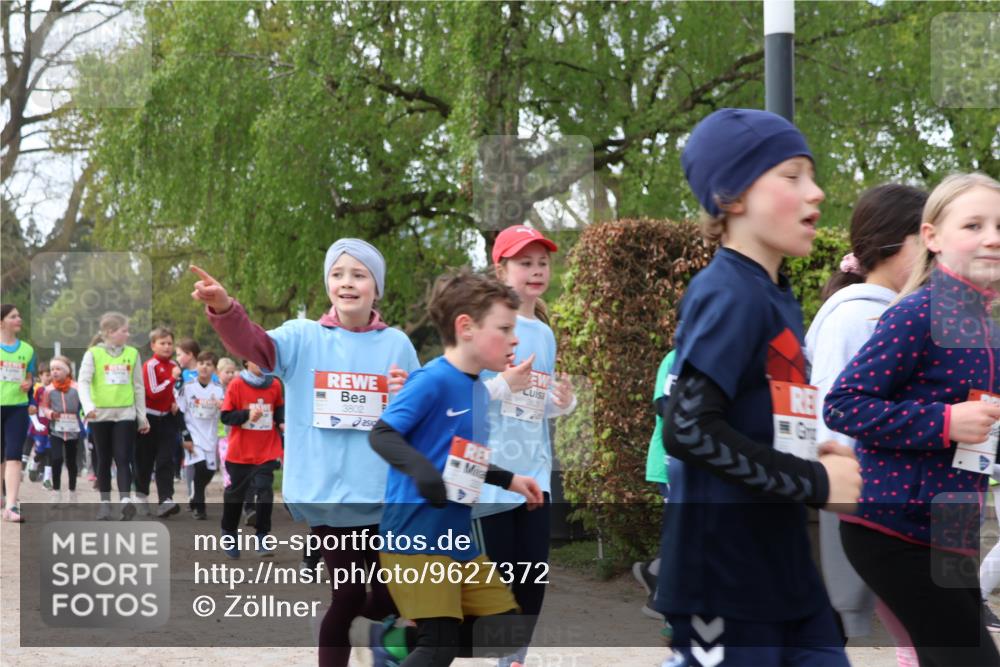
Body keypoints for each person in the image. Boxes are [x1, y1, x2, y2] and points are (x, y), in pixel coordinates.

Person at [657, 108, 861, 666]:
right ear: (731, 196)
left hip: (785, 572)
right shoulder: (727, 291)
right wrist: (816, 480)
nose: (816, 193)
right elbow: (688, 429)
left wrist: (807, 451)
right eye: (792, 176)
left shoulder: (777, 295)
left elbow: (748, 419)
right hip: (721, 581)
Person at [192, 238, 420, 667]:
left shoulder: (399, 345)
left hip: (387, 496)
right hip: (330, 495)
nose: (347, 283)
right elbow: (254, 345)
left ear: (377, 287)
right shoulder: (302, 337)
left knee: (395, 594)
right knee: (349, 593)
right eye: (337, 274)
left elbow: (423, 410)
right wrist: (224, 309)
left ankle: (377, 636)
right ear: (328, 283)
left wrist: (405, 394)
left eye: (358, 274)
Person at [826, 172, 1000, 667]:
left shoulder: (988, 329)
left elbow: (982, 433)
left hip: (948, 532)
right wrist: (945, 422)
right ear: (932, 238)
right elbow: (844, 404)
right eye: (973, 225)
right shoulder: (916, 315)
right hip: (891, 527)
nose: (992, 237)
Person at [367, 268, 544, 667]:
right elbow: (382, 434)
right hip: (414, 535)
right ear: (466, 327)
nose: (515, 338)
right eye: (504, 328)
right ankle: (411, 641)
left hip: (457, 539)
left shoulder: (477, 389)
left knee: (504, 630)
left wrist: (510, 479)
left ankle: (396, 641)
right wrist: (423, 473)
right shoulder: (431, 380)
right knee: (440, 646)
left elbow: (463, 458)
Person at [804, 184, 926, 665]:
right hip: (862, 498)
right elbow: (832, 413)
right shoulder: (857, 318)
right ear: (895, 243)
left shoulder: (893, 312)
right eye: (925, 236)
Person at [472, 224, 576, 667]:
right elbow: (462, 400)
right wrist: (501, 383)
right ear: (501, 269)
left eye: (542, 262)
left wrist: (563, 405)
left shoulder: (546, 334)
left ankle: (512, 659)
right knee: (497, 583)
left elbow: (535, 407)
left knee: (532, 581)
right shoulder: (483, 325)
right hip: (491, 478)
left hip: (534, 475)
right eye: (524, 263)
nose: (535, 271)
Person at [78, 311, 150, 521]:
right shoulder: (93, 354)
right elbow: (83, 382)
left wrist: (141, 416)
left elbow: (138, 387)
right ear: (110, 332)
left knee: (123, 457)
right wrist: (88, 406)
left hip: (125, 414)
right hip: (100, 414)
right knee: (103, 459)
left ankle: (126, 501)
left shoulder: (132, 353)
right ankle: (105, 504)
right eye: (124, 331)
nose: (127, 335)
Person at [219, 359, 284, 556]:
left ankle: (262, 536)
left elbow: (279, 409)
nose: (263, 363)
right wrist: (247, 414)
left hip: (267, 449)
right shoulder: (237, 384)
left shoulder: (274, 384)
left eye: (266, 359)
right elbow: (226, 416)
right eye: (257, 360)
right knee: (235, 495)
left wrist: (282, 422)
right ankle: (229, 532)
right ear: (246, 362)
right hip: (241, 452)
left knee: (265, 491)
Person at [633, 349, 675, 621]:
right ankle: (659, 600)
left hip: (691, 465)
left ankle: (653, 570)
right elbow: (663, 405)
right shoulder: (674, 358)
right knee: (685, 531)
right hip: (670, 463)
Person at [137, 326, 182, 517]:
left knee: (166, 460)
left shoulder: (174, 366)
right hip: (149, 418)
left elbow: (179, 390)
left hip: (167, 420)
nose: (167, 347)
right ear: (153, 345)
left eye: (170, 343)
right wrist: (171, 380)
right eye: (162, 343)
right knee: (144, 460)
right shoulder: (150, 366)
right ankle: (141, 496)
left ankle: (166, 499)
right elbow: (153, 392)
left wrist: (175, 402)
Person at [177, 350, 224, 520]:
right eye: (201, 363)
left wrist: (222, 406)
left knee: (209, 471)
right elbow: (179, 412)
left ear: (214, 369)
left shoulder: (219, 390)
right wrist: (185, 435)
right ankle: (199, 505)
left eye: (209, 364)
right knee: (200, 467)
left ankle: (196, 494)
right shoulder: (188, 387)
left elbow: (225, 412)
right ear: (196, 366)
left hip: (210, 436)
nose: (204, 367)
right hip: (193, 434)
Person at [1, 304, 35, 522]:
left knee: (14, 455)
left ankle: (12, 505)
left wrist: (29, 383)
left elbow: (30, 378)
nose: (19, 319)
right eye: (14, 316)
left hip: (18, 408)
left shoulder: (28, 350)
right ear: (1, 322)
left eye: (19, 315)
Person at [40, 356, 84, 504]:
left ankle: (72, 492)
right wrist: (51, 414)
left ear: (67, 371)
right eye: (52, 369)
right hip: (55, 429)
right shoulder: (48, 390)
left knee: (71, 462)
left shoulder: (77, 388)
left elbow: (85, 405)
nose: (54, 372)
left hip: (73, 429)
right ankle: (56, 492)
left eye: (58, 369)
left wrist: (86, 417)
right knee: (57, 459)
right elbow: (44, 407)